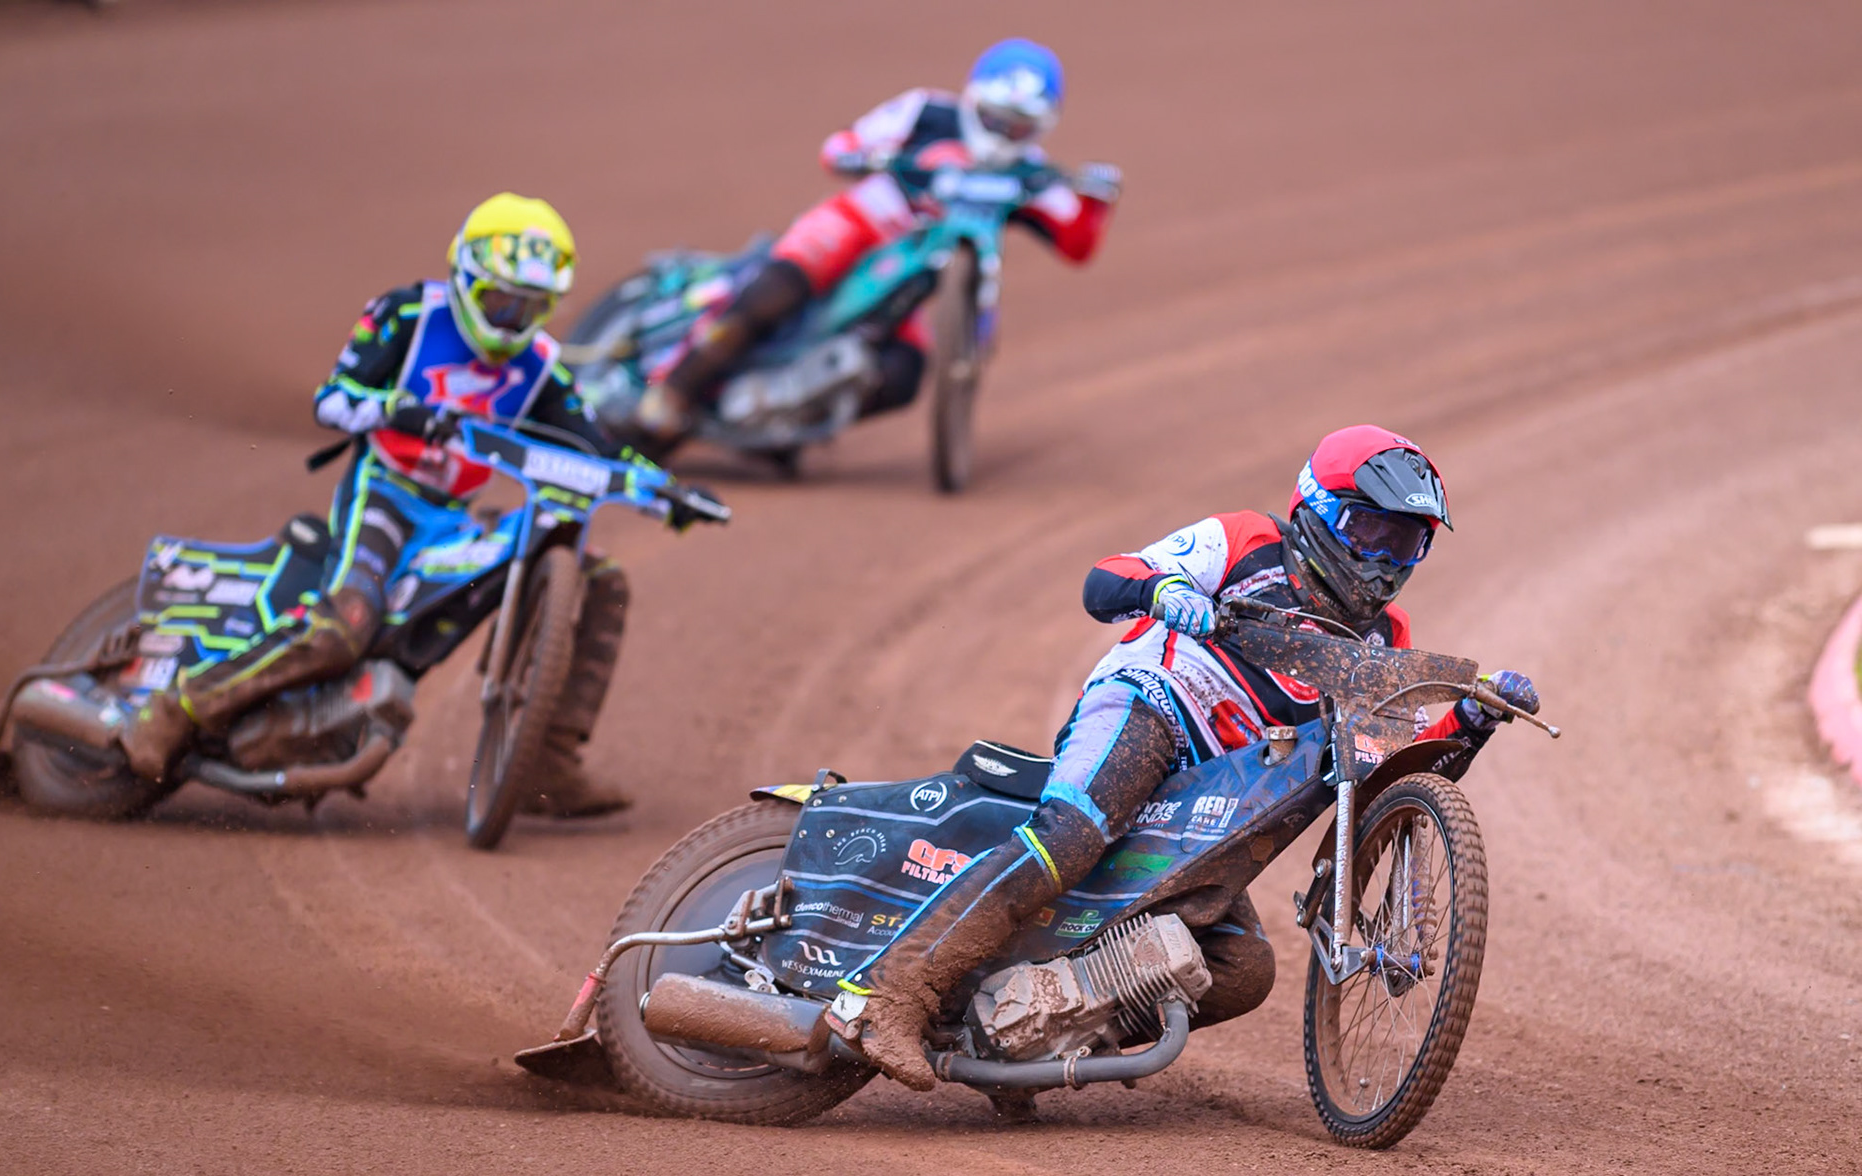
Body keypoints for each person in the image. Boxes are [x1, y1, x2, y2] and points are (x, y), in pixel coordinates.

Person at [829, 425, 1542, 1089]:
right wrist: (1168, 590)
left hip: (1222, 787)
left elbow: (1391, 767)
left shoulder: (1386, 636)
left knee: (1240, 970)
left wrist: (1469, 722)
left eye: (1407, 543)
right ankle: (885, 994)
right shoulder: (1244, 541)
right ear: (1317, 510)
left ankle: (1021, 1038)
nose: (1386, 561)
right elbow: (1106, 579)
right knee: (1070, 838)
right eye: (1371, 531)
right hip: (1155, 705)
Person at [121, 193, 672, 817]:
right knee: (344, 627)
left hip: (455, 519)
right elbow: (331, 401)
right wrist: (397, 410)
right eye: (501, 301)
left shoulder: (542, 365)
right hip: (383, 495)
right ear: (466, 279)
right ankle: (177, 707)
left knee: (602, 575)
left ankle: (548, 762)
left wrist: (665, 489)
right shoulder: (406, 315)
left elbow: (596, 446)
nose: (513, 320)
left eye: (531, 307)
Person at [636, 37, 1122, 434]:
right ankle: (674, 387)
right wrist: (862, 156)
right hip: (858, 226)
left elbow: (1075, 244)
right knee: (781, 286)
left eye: (1019, 128)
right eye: (996, 120)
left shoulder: (1032, 173)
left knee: (905, 374)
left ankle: (791, 424)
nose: (1003, 136)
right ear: (974, 100)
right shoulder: (924, 112)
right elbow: (842, 147)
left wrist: (1098, 201)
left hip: (904, 287)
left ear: (1042, 126)